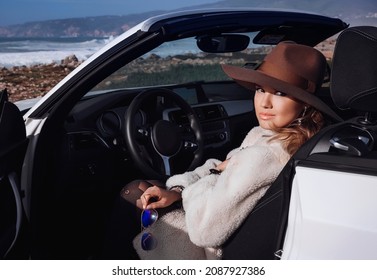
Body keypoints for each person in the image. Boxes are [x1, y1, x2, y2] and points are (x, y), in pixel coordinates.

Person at [103, 41, 341, 259]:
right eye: (260, 89)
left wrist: (213, 174)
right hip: (221, 224)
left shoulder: (265, 155)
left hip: (203, 250)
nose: (264, 102)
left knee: (132, 192)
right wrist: (178, 190)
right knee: (154, 188)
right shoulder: (288, 139)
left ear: (304, 103)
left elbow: (204, 229)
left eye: (280, 93)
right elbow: (222, 170)